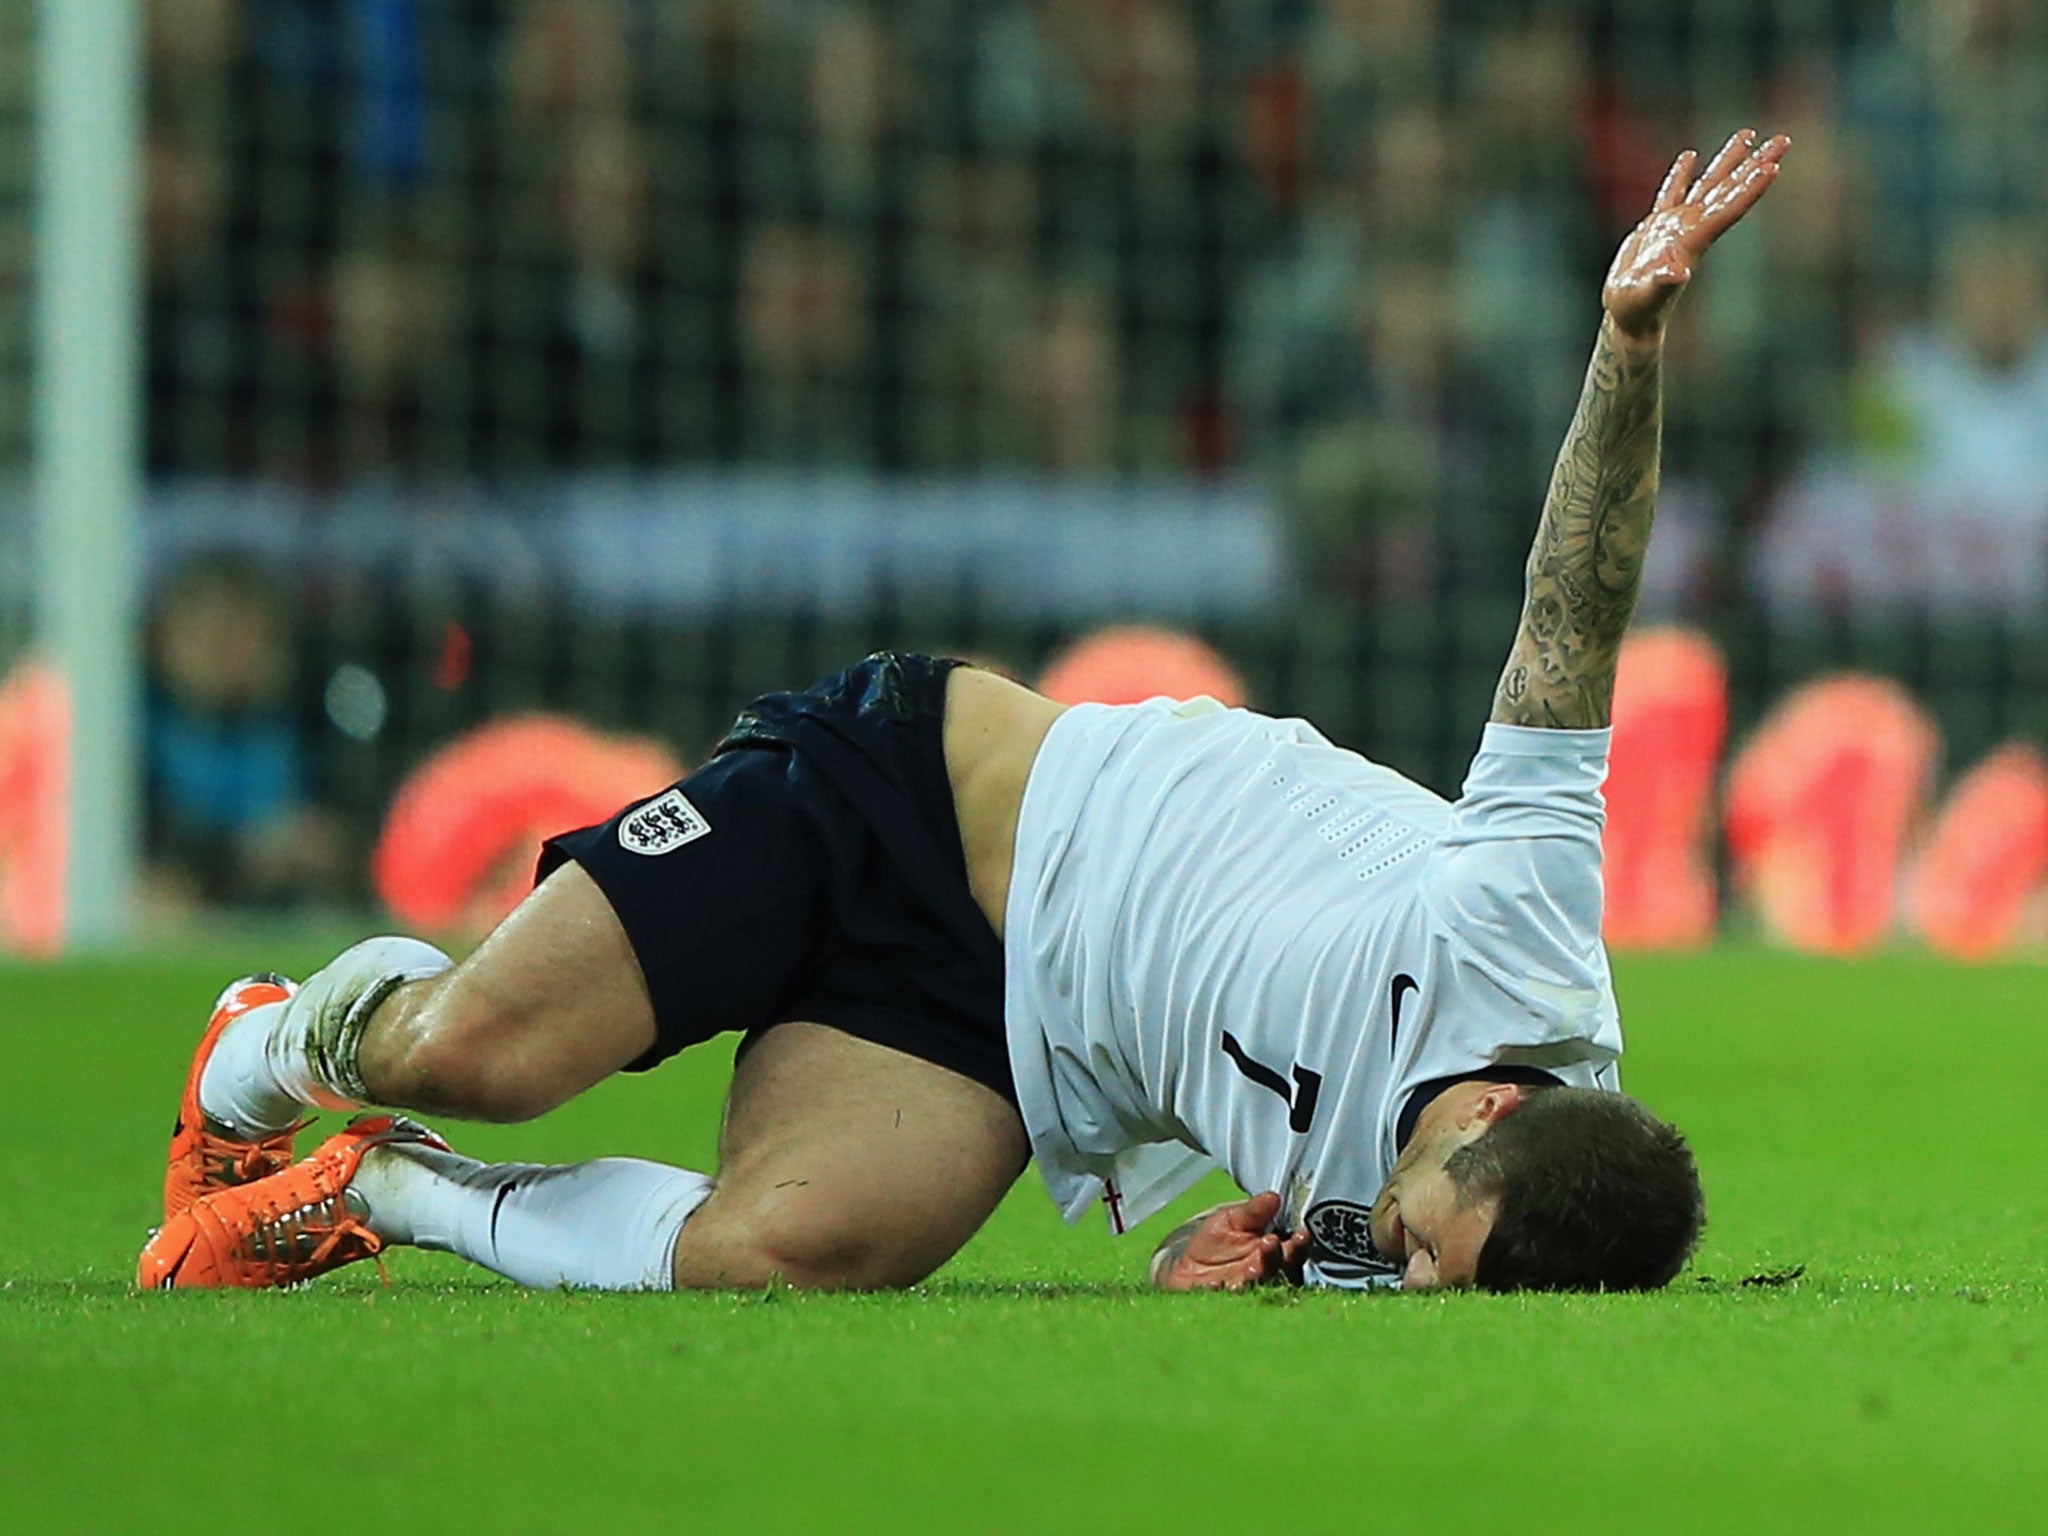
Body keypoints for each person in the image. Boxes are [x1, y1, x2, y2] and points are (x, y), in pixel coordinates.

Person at [142, 130, 1790, 1297]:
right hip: (919, 796)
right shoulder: (1524, 931)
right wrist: (1629, 347)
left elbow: (1249, 1251)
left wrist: (1196, 1273)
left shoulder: (1431, 1240)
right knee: (479, 1048)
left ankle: (380, 1188)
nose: (1404, 1270)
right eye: (1432, 1243)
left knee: (777, 1252)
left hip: (1003, 1036)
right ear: (1498, 1111)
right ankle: (262, 1051)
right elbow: (1574, 616)